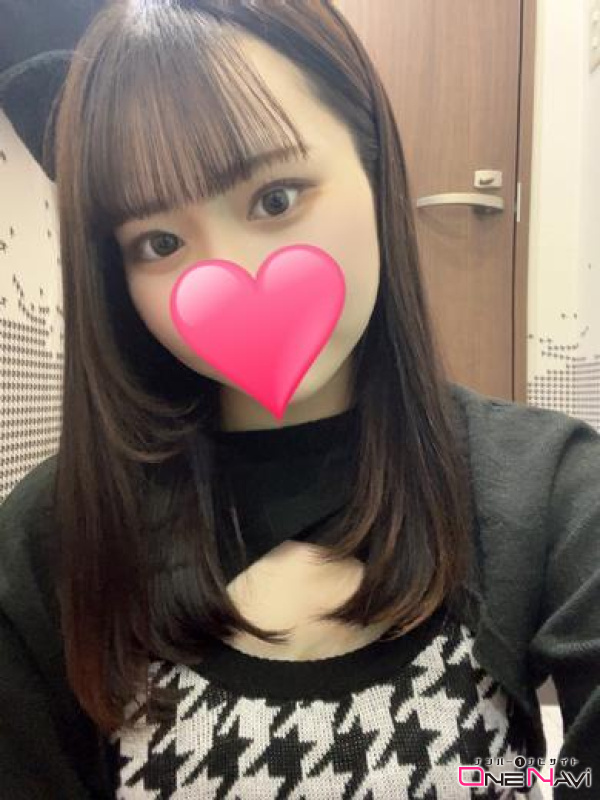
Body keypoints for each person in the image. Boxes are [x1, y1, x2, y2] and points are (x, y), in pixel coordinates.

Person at [0, 1, 598, 798]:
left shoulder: (549, 487)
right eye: (160, 242)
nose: (227, 275)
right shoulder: (54, 539)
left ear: (375, 168)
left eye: (277, 199)